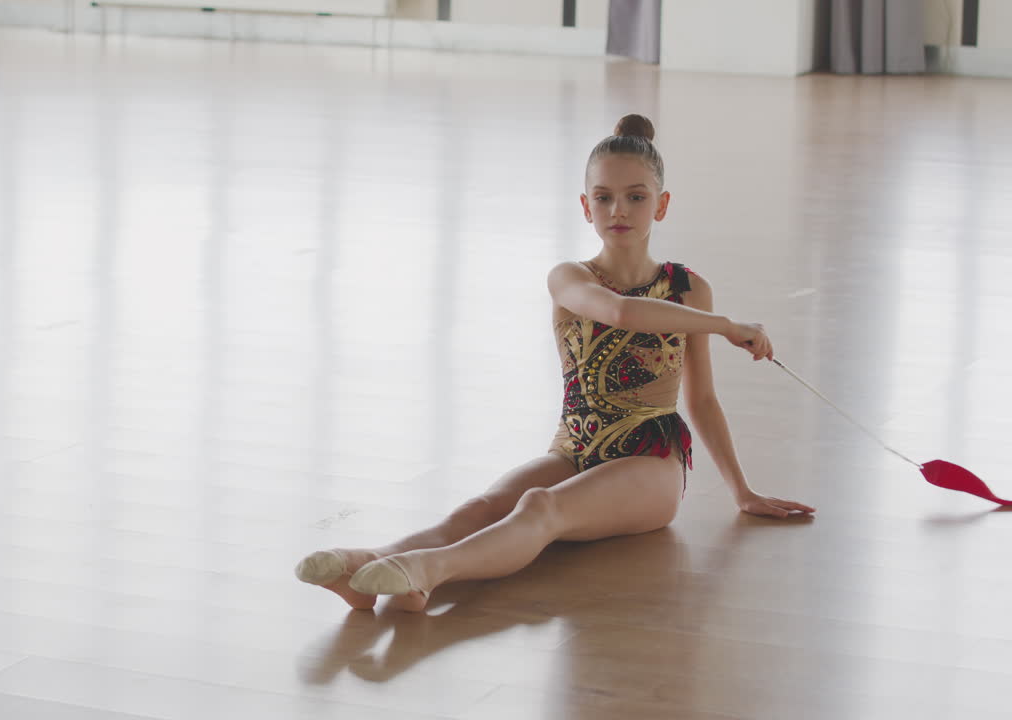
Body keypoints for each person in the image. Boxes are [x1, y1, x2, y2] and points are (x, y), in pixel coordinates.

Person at [294, 114, 815, 613]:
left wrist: (741, 492)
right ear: (585, 208)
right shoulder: (569, 278)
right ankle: (365, 567)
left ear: (662, 205)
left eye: (636, 197)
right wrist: (727, 326)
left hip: (649, 463)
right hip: (574, 448)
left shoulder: (689, 289)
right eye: (604, 198)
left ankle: (426, 571)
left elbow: (701, 400)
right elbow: (619, 311)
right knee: (479, 509)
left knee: (541, 507)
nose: (619, 211)